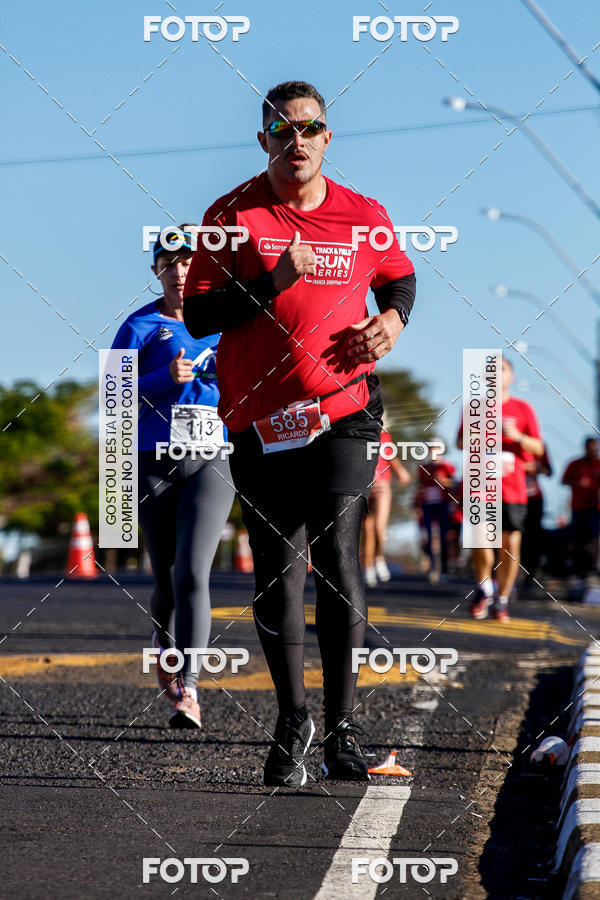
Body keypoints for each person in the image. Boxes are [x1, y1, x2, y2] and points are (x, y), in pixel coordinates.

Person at [183, 81, 416, 785]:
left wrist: (392, 321)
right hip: (261, 418)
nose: (297, 141)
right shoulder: (231, 215)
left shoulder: (363, 213)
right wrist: (273, 280)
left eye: (309, 129)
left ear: (327, 138)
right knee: (277, 571)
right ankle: (293, 720)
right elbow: (199, 315)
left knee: (339, 556)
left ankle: (343, 730)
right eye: (283, 130)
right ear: (264, 141)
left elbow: (400, 279)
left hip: (345, 410)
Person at [112, 226, 234, 728]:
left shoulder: (227, 322)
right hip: (154, 459)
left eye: (189, 262)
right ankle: (162, 640)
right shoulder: (139, 325)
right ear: (156, 270)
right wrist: (163, 379)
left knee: (192, 573)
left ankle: (190, 689)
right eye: (169, 263)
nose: (180, 272)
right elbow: (112, 396)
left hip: (213, 457)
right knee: (165, 578)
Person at [457, 357, 544, 621]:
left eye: (501, 369)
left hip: (512, 488)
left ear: (511, 377)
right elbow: (460, 442)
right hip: (481, 484)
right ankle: (484, 588)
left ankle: (502, 598)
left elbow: (539, 448)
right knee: (480, 539)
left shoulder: (523, 409)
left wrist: (518, 437)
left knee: (510, 544)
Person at [363, 426, 411, 587]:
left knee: (378, 527)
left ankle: (379, 558)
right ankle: (368, 567)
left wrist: (401, 471)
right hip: (364, 486)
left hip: (382, 485)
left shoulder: (384, 436)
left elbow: (390, 456)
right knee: (367, 529)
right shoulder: (360, 431)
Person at [562, 437, 600, 584]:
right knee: (577, 539)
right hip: (578, 508)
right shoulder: (575, 464)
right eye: (589, 447)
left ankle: (593, 568)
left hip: (595, 508)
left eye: (594, 447)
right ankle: (576, 569)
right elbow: (563, 480)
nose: (592, 450)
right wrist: (577, 483)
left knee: (594, 538)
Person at [416, 442, 455, 583]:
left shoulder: (448, 466)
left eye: (435, 449)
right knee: (428, 537)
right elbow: (419, 487)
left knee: (444, 537)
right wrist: (417, 505)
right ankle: (432, 568)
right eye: (430, 449)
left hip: (443, 505)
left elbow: (455, 484)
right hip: (427, 506)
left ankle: (444, 569)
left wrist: (444, 481)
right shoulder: (423, 467)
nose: (433, 452)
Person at [521, 448, 552, 589]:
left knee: (533, 537)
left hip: (534, 499)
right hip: (509, 497)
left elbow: (549, 471)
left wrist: (536, 468)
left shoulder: (538, 446)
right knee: (513, 536)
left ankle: (531, 572)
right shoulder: (503, 442)